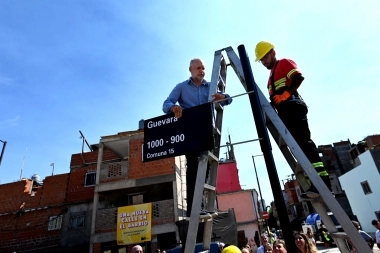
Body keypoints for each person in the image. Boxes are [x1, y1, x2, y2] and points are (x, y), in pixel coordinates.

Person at [255, 41, 332, 199]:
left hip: (294, 108)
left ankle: (323, 182)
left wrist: (286, 94)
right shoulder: (270, 78)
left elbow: (298, 78)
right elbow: (275, 98)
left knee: (304, 143)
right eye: (261, 60)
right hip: (284, 113)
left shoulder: (283, 63)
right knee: (298, 148)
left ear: (273, 53)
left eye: (265, 58)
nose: (264, 62)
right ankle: (313, 184)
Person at [162, 58, 232, 217]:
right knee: (193, 168)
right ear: (191, 70)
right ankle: (193, 207)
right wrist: (174, 107)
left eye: (203, 68)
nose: (202, 70)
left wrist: (224, 98)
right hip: (191, 132)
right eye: (198, 68)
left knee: (205, 168)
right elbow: (166, 103)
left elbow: (229, 99)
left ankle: (200, 204)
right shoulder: (181, 87)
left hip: (207, 131)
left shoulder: (210, 87)